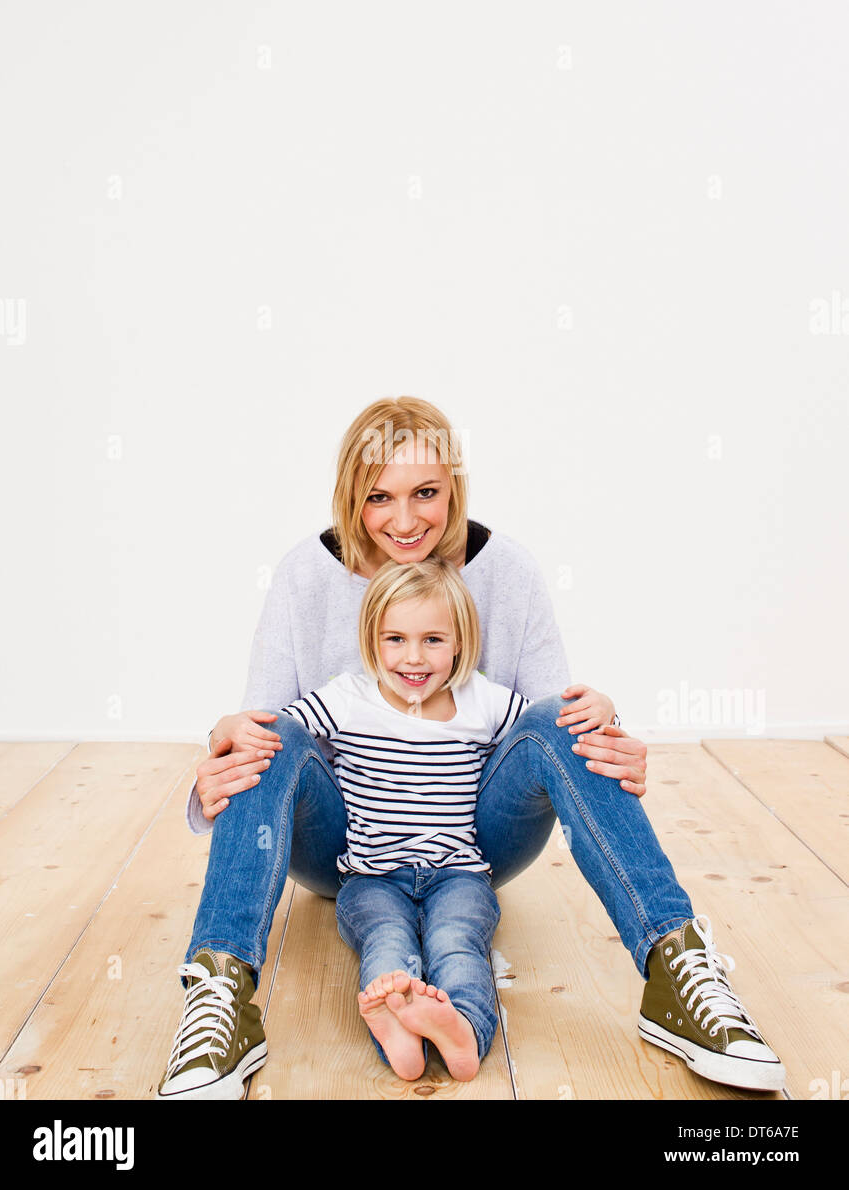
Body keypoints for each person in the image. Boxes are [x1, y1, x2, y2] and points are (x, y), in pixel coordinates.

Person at [156, 395, 784, 1099]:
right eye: (378, 498)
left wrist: (600, 733)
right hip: (344, 843)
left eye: (425, 493)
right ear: (348, 497)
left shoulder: (508, 571)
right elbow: (261, 729)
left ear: (454, 487)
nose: (404, 521)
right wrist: (222, 739)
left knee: (562, 722)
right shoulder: (304, 575)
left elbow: (548, 723)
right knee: (269, 734)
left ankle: (677, 968)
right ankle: (219, 993)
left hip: (471, 842)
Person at [288, 555, 527, 1081]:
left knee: (456, 939)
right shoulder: (347, 698)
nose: (413, 658)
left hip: (457, 874)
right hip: (372, 878)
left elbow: (544, 736)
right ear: (371, 641)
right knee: (387, 942)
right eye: (395, 639)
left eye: (433, 640)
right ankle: (399, 1030)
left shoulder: (482, 701)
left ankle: (464, 1030)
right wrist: (229, 728)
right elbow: (282, 737)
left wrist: (606, 713)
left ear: (461, 642)